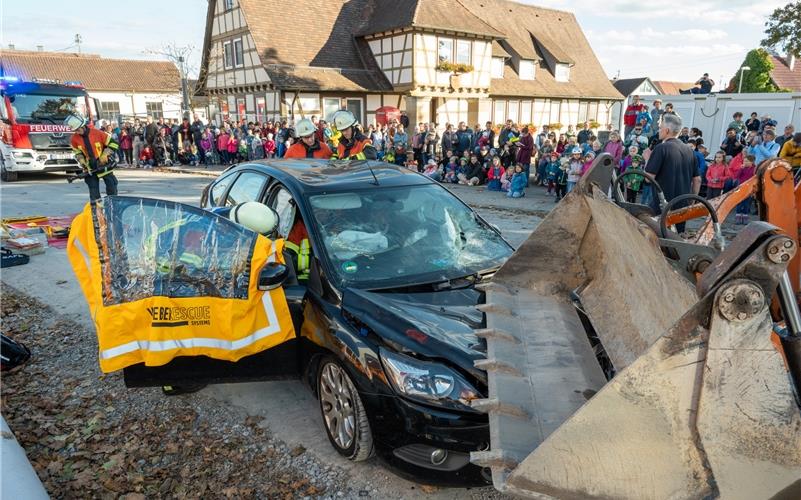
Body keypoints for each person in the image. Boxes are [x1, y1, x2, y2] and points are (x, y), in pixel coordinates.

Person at [644, 113, 701, 232]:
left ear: (667, 130)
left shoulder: (661, 149)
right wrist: (692, 199)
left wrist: (647, 159)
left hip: (661, 205)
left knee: (657, 240)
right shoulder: (689, 151)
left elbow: (648, 178)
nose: (658, 131)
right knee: (677, 239)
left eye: (660, 128)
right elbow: (697, 179)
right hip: (682, 203)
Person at [66, 113, 119, 202]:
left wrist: (105, 154)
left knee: (111, 187)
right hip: (89, 168)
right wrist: (81, 159)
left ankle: (112, 206)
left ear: (83, 126)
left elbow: (114, 144)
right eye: (75, 131)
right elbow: (77, 151)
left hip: (103, 165)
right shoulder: (74, 138)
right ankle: (97, 212)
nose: (77, 132)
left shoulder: (98, 133)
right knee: (94, 192)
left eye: (78, 130)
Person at [735, 155, 757, 224]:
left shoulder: (754, 169)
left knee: (746, 204)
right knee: (739, 203)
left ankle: (745, 218)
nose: (745, 162)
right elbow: (737, 176)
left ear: (752, 162)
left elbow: (755, 179)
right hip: (741, 187)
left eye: (747, 161)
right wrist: (741, 169)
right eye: (744, 161)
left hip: (749, 189)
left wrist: (754, 190)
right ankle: (738, 218)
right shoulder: (742, 168)